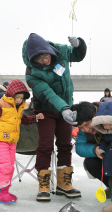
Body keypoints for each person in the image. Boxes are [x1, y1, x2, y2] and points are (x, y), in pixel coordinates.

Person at [22, 33, 86, 202]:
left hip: (66, 106)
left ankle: (64, 184)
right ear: (33, 59)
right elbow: (48, 94)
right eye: (40, 59)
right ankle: (43, 184)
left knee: (65, 144)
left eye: (46, 56)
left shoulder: (60, 51)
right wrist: (64, 109)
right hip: (45, 110)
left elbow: (78, 55)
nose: (45, 60)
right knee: (45, 145)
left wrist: (79, 44)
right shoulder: (32, 74)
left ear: (49, 50)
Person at [0, 79, 44, 204]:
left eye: (21, 98)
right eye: (17, 97)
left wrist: (36, 118)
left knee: (10, 167)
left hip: (11, 142)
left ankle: (5, 191)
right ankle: (1, 193)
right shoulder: (0, 105)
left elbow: (25, 120)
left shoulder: (18, 108)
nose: (19, 100)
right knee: (5, 167)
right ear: (11, 94)